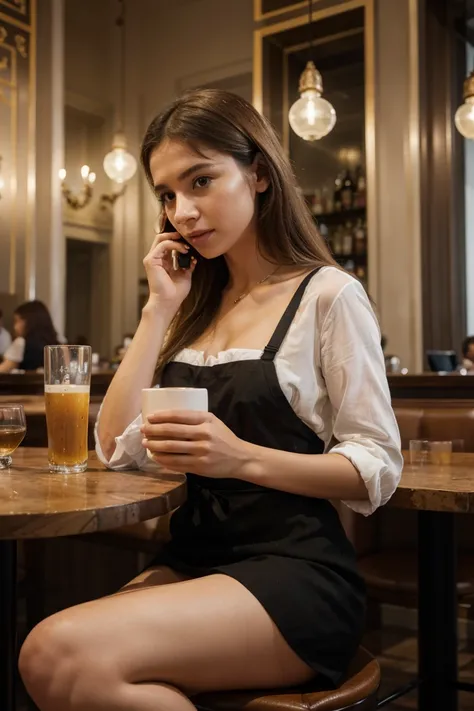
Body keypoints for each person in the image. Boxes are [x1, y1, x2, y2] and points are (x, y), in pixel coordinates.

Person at [19, 89, 403, 711]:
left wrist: (241, 458)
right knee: (51, 665)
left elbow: (377, 467)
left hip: (295, 570)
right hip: (195, 559)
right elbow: (116, 450)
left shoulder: (327, 294)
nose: (184, 212)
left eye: (201, 181)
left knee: (55, 650)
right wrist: (157, 309)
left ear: (257, 172)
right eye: (168, 195)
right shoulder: (189, 309)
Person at [0, 300, 59, 373]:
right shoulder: (56, 343)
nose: (15, 327)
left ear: (28, 322)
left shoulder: (21, 343)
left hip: (24, 384)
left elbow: (4, 369)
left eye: (16, 321)